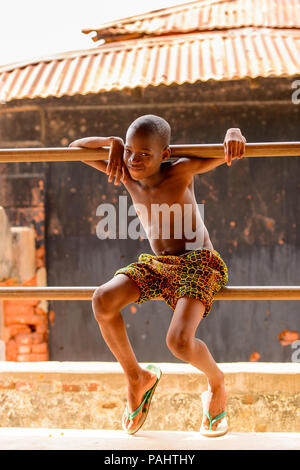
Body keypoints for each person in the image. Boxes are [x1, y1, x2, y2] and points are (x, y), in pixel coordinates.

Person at [69, 115, 246, 437]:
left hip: (199, 262)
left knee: (178, 342)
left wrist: (233, 132)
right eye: (130, 151)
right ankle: (137, 377)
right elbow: (75, 147)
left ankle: (217, 383)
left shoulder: (181, 169)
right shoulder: (124, 169)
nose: (134, 160)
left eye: (145, 154)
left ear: (164, 154)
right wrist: (112, 143)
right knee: (103, 300)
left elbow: (226, 151)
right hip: (159, 264)